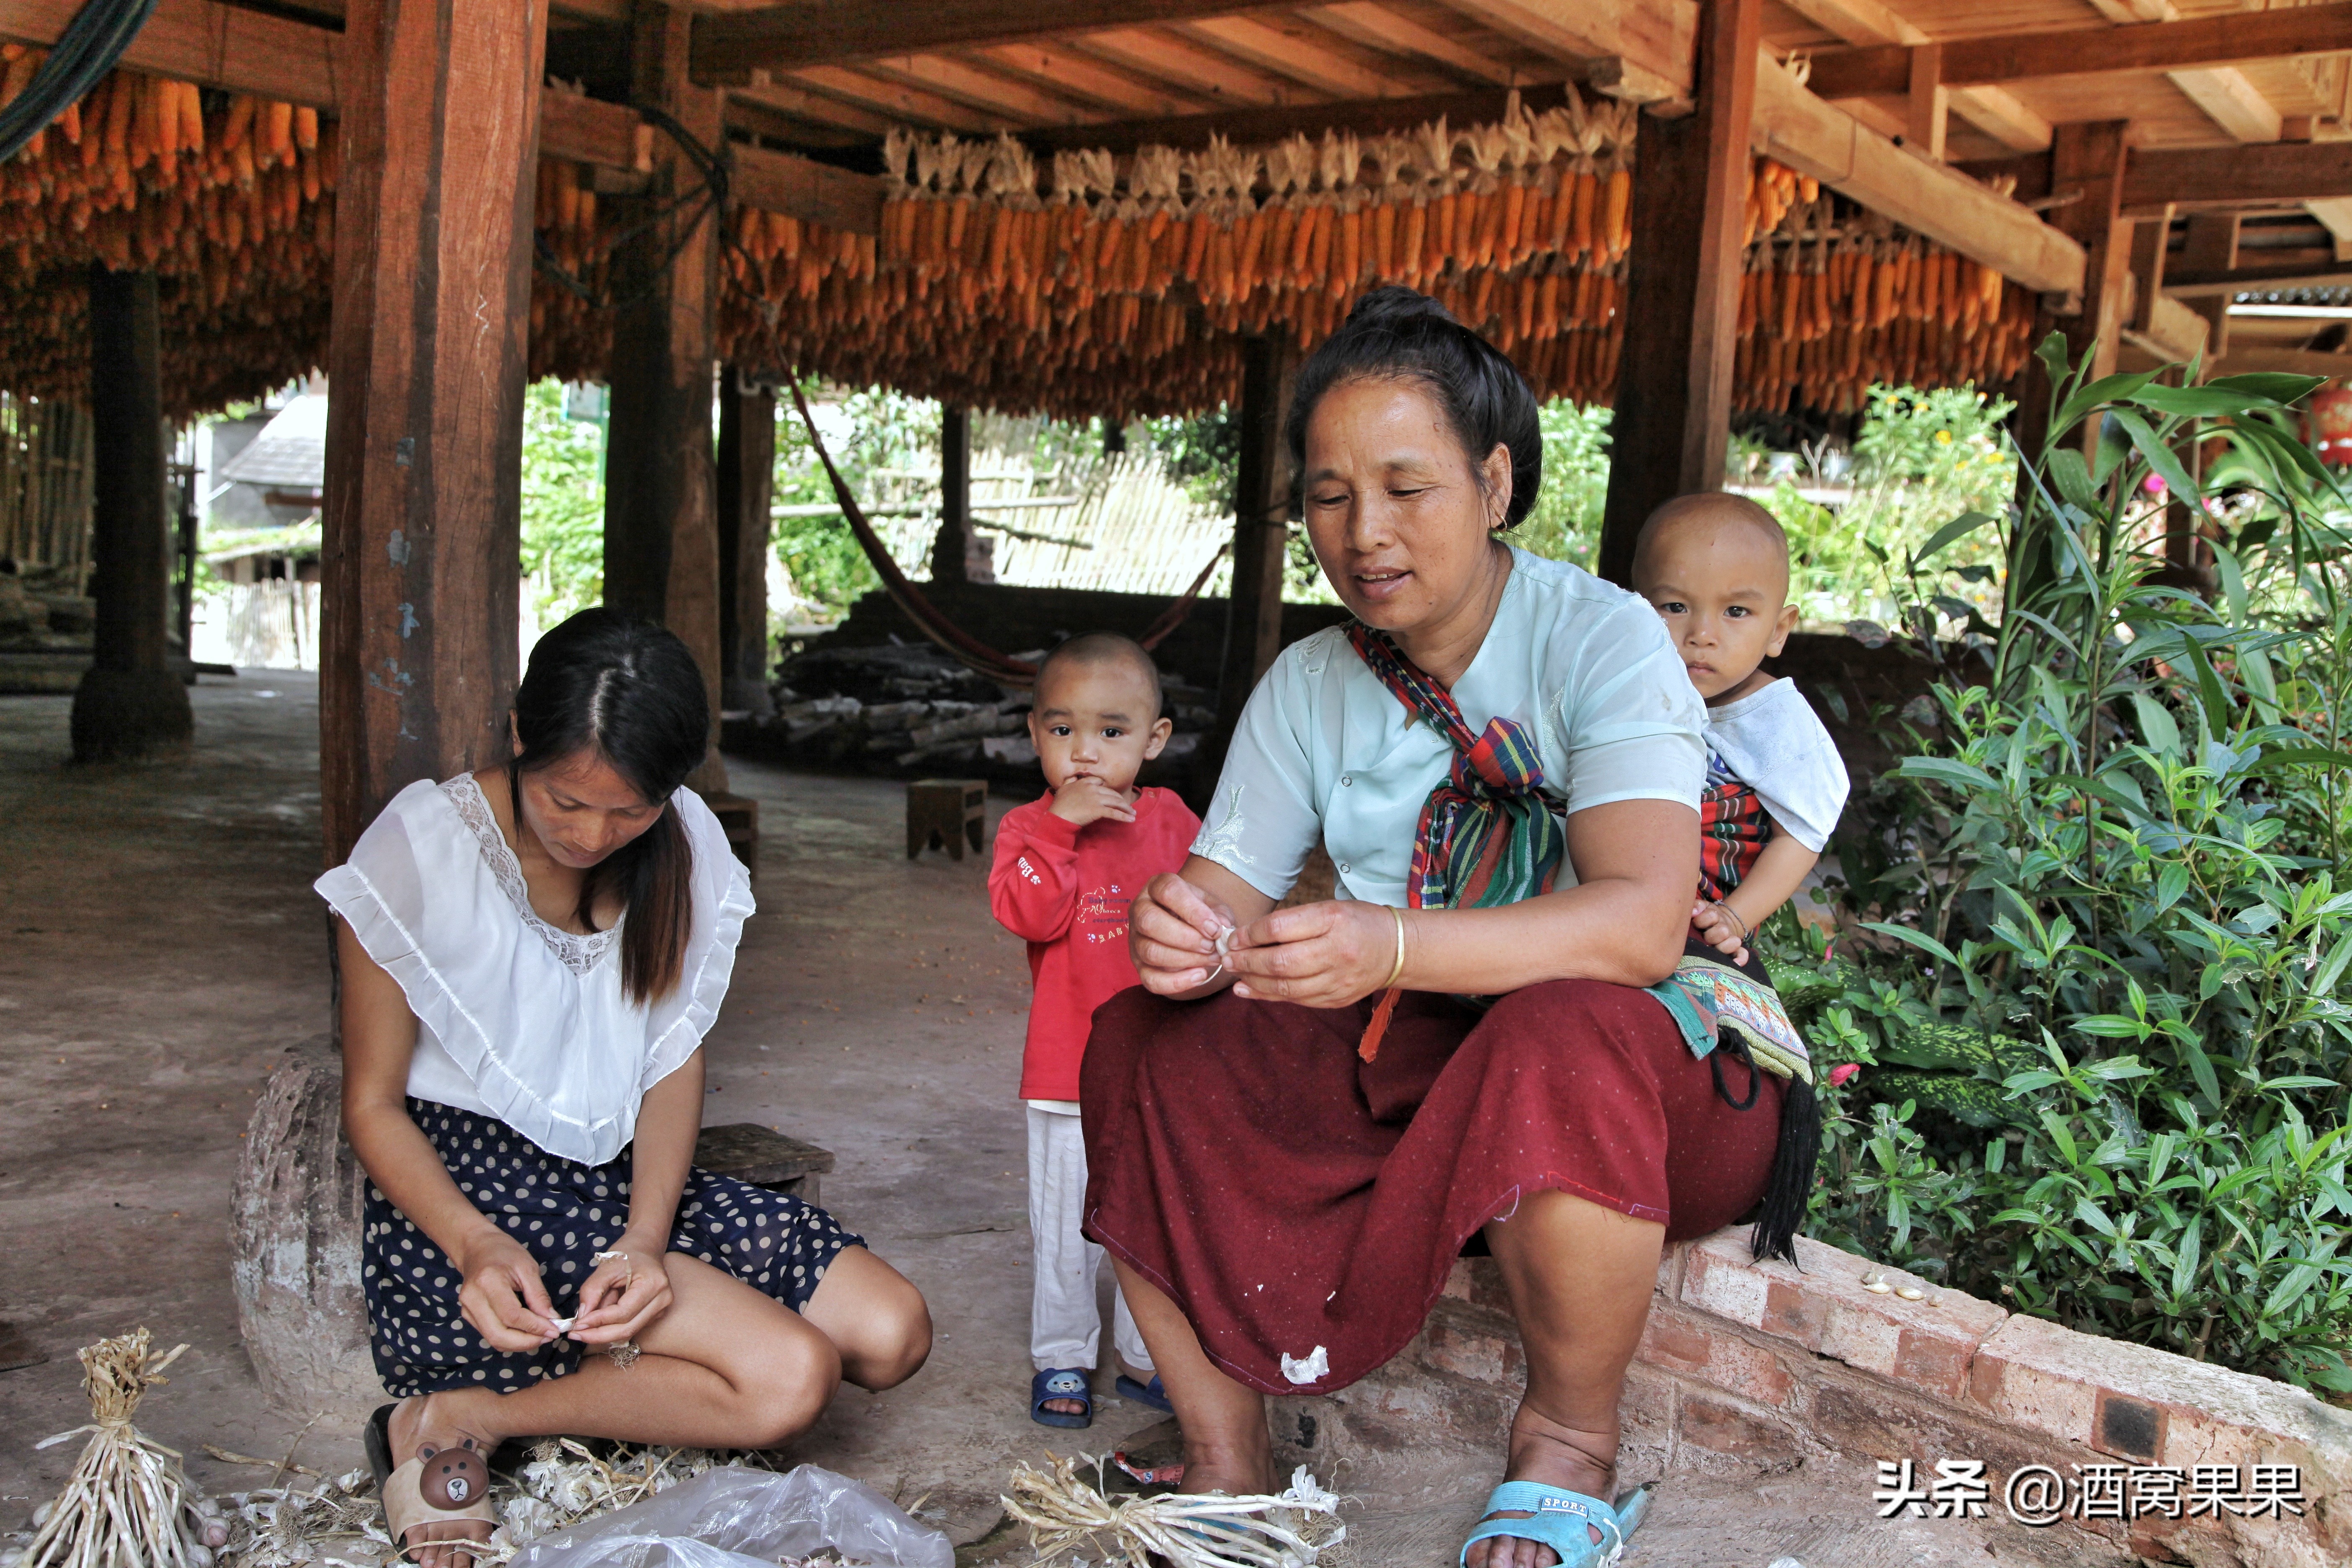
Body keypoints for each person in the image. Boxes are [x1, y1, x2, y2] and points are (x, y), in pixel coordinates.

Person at [1084, 287, 1813, 1568]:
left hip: (1652, 1080)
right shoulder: (1312, 683)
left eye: (1406, 487)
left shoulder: (1605, 641)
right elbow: (1223, 896)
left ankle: (1569, 1446)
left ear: (1493, 482)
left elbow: (1644, 928)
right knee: (1142, 1041)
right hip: (1427, 1061)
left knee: (1561, 1030)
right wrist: (1182, 933)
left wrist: (1392, 944)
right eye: (1328, 494)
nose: (1362, 533)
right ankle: (1226, 1456)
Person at [322, 609, 931, 1568]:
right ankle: (459, 1410)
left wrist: (647, 1239)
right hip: (474, 1197)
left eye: (629, 809)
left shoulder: (683, 840)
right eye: (567, 800)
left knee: (893, 1333)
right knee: (789, 1379)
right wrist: (476, 1242)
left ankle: (574, 1381)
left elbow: (671, 1059)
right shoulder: (419, 848)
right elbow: (374, 1104)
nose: (593, 832)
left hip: (617, 1178)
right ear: (522, 732)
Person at [988, 633, 1199, 1428]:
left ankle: (1148, 1356)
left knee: (1152, 1216)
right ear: (1035, 733)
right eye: (1062, 729)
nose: (1084, 752)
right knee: (1064, 1225)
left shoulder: (1174, 820)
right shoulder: (1025, 829)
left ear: (1154, 739)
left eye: (1111, 732)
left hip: (1160, 1069)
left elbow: (1213, 911)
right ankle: (1064, 1355)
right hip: (1066, 1073)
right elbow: (1029, 911)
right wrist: (1060, 830)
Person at [1632, 494, 1850, 966]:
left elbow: (1804, 829)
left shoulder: (1776, 721)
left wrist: (1736, 916)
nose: (1702, 634)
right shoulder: (1627, 690)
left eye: (1736, 612)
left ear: (1779, 629)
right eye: (1674, 606)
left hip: (1699, 912)